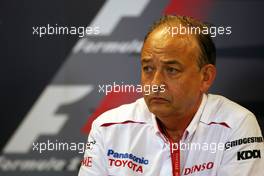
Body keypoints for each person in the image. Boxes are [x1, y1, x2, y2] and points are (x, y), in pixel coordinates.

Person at [78, 15, 264, 176]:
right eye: (148, 68)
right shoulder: (107, 128)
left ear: (205, 77)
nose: (156, 84)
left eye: (172, 70)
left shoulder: (236, 125)